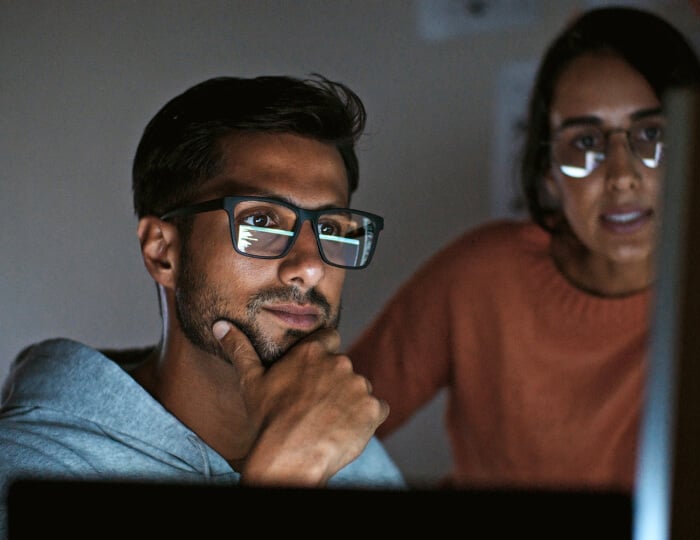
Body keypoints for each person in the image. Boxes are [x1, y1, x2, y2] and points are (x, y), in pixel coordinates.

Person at [0, 74, 405, 537]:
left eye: (333, 227)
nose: (310, 268)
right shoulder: (26, 471)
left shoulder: (351, 449)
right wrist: (286, 479)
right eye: (261, 220)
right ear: (162, 252)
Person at [348, 6, 700, 491]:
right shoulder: (481, 277)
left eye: (652, 134)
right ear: (548, 171)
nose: (622, 175)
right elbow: (328, 423)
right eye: (585, 142)